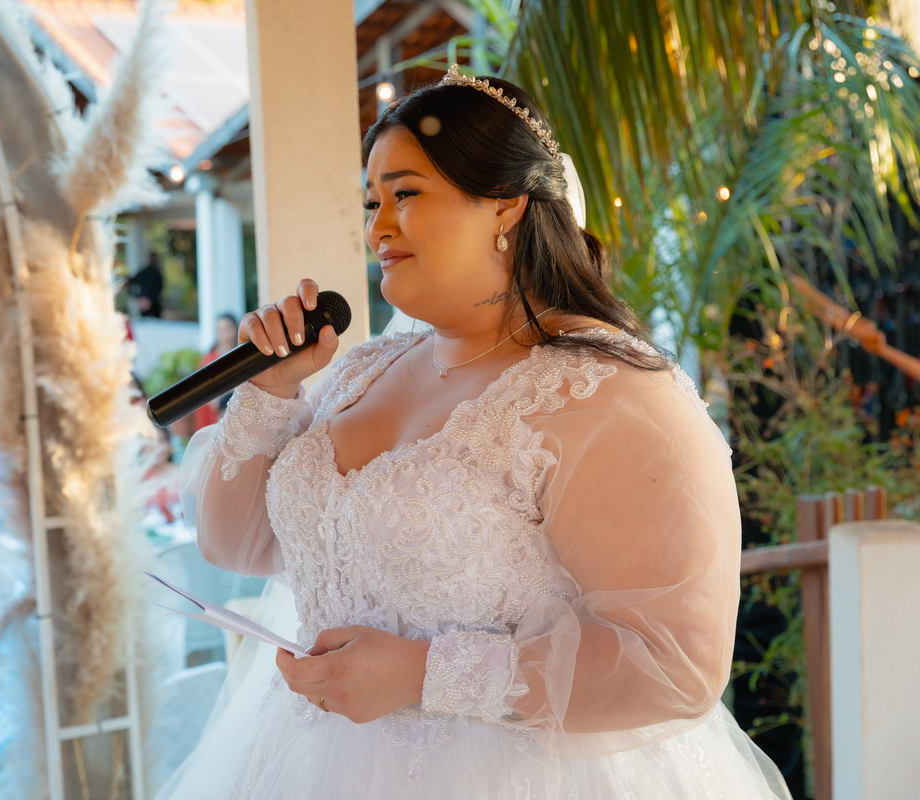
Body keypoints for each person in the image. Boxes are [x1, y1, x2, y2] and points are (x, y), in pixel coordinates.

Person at [164, 68, 788, 799]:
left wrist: (422, 676)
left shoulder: (606, 394)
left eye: (405, 194)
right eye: (371, 203)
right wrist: (270, 391)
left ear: (505, 203)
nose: (377, 229)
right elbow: (236, 547)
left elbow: (674, 665)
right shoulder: (360, 372)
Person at [194, 313, 241, 428]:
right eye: (220, 329)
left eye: (227, 328)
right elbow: (203, 388)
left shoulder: (241, 355)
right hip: (213, 409)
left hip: (238, 406)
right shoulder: (209, 358)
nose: (224, 333)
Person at [127, 253, 165, 318]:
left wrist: (138, 297)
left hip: (146, 302)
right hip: (152, 302)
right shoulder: (156, 273)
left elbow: (131, 282)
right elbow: (159, 288)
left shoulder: (144, 271)